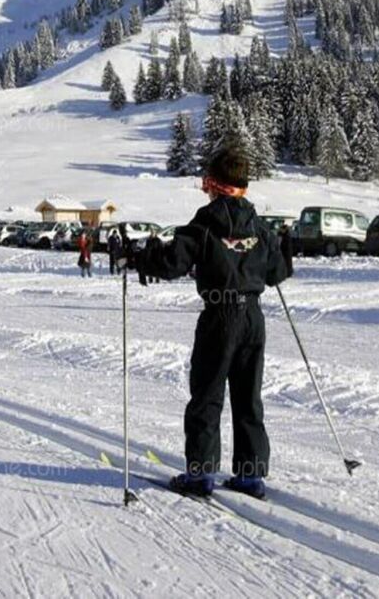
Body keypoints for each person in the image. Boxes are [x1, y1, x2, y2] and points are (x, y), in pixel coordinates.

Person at [129, 144, 290, 500]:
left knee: (208, 393)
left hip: (220, 316)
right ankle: (250, 475)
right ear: (244, 186)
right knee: (248, 396)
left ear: (213, 184)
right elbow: (279, 272)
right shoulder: (260, 227)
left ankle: (201, 474)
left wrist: (143, 257)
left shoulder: (204, 223)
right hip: (253, 315)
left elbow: (172, 264)